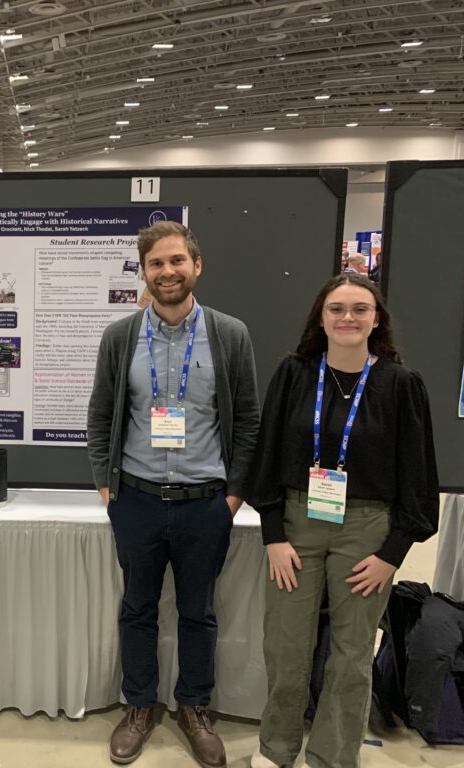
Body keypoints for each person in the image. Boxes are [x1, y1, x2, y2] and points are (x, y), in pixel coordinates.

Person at [247, 273, 438, 768]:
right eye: (336, 308)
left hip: (366, 530)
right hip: (296, 522)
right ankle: (277, 748)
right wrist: (272, 534)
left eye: (359, 308)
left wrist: (391, 555)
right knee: (286, 647)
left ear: (377, 319)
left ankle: (333, 755)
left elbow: (418, 478)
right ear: (321, 317)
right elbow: (265, 454)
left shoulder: (401, 384)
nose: (347, 318)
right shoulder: (294, 374)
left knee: (351, 657)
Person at [87, 221, 260, 766]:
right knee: (137, 608)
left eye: (176, 261)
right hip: (135, 500)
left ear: (197, 266)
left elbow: (249, 421)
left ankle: (194, 707)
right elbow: (99, 415)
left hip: (205, 503)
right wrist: (105, 486)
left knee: (198, 611)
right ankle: (139, 706)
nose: (167, 272)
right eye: (156, 264)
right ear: (144, 272)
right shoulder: (120, 337)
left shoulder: (230, 335)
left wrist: (232, 496)